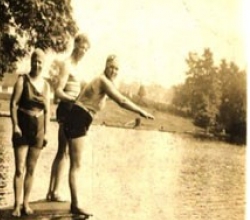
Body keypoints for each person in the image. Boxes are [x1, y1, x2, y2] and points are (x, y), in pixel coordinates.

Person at [63, 54, 155, 216]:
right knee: (76, 165)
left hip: (79, 117)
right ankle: (75, 205)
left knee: (74, 163)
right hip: (78, 118)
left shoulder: (102, 81)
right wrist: (141, 111)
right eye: (111, 67)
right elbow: (122, 101)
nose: (114, 71)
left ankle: (74, 203)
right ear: (106, 65)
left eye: (117, 69)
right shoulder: (103, 81)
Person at [46, 34, 90, 202]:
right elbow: (57, 92)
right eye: (82, 47)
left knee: (63, 152)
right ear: (75, 45)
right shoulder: (67, 65)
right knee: (62, 151)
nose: (83, 51)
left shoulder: (78, 67)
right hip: (66, 109)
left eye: (86, 49)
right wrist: (73, 99)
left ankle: (52, 191)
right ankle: (53, 192)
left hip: (74, 110)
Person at [10, 48, 51, 217]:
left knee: (31, 169)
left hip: (38, 130)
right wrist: (15, 126)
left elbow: (48, 111)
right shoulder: (22, 80)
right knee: (20, 169)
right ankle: (17, 205)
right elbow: (13, 104)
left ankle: (26, 203)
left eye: (40, 61)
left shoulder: (47, 85)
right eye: (34, 60)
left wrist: (46, 133)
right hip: (22, 129)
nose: (37, 64)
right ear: (31, 62)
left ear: (43, 64)